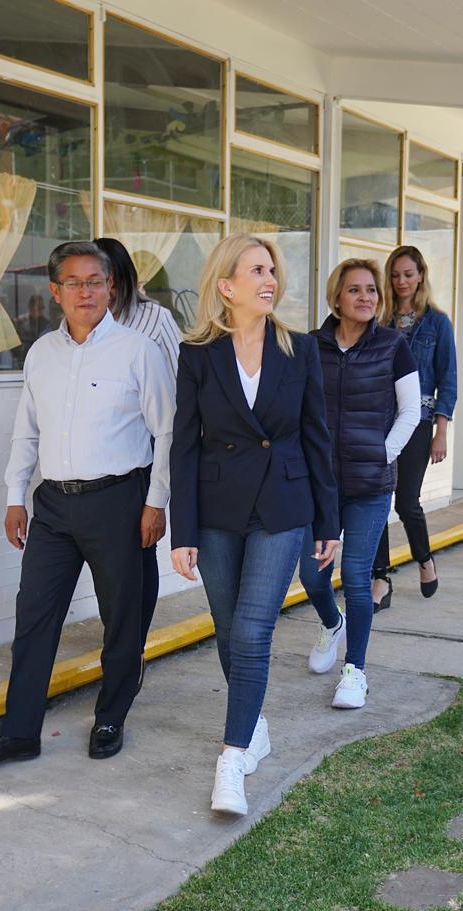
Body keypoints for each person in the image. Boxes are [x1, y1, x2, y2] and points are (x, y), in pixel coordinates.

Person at [0, 241, 175, 765]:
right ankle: (19, 733)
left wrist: (156, 502)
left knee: (122, 618)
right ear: (55, 291)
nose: (86, 291)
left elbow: (167, 433)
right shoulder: (41, 353)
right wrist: (16, 497)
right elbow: (26, 433)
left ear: (111, 287)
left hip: (120, 503)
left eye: (96, 281)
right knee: (34, 617)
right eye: (74, 283)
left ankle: (110, 716)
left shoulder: (137, 351)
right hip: (53, 506)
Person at [169, 234, 338, 817]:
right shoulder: (198, 354)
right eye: (257, 270)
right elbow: (184, 448)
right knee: (226, 626)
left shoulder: (301, 349)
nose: (270, 280)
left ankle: (233, 757)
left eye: (273, 270)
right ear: (226, 285)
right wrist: (182, 531)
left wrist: (328, 522)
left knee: (252, 630)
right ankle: (255, 725)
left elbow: (317, 436)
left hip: (283, 509)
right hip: (216, 513)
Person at [300, 259, 419, 708]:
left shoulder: (394, 346)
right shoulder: (310, 347)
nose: (366, 297)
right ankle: (332, 623)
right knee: (312, 576)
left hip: (370, 485)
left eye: (372, 289)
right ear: (337, 298)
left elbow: (410, 412)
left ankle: (356, 670)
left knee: (355, 576)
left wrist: (382, 454)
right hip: (319, 487)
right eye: (355, 290)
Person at [94, 236, 182, 653]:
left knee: (139, 556)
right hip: (100, 460)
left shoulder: (154, 318)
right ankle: (122, 641)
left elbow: (182, 382)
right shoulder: (84, 325)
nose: (102, 288)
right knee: (111, 566)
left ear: (122, 278)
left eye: (108, 278)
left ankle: (133, 647)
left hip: (146, 457)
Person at [370, 245, 457, 610]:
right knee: (375, 500)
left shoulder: (437, 323)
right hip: (379, 423)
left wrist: (441, 431)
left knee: (406, 502)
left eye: (408, 274)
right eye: (395, 275)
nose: (401, 281)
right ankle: (380, 578)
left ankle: (424, 559)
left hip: (419, 423)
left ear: (420, 275)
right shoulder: (380, 322)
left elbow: (447, 379)